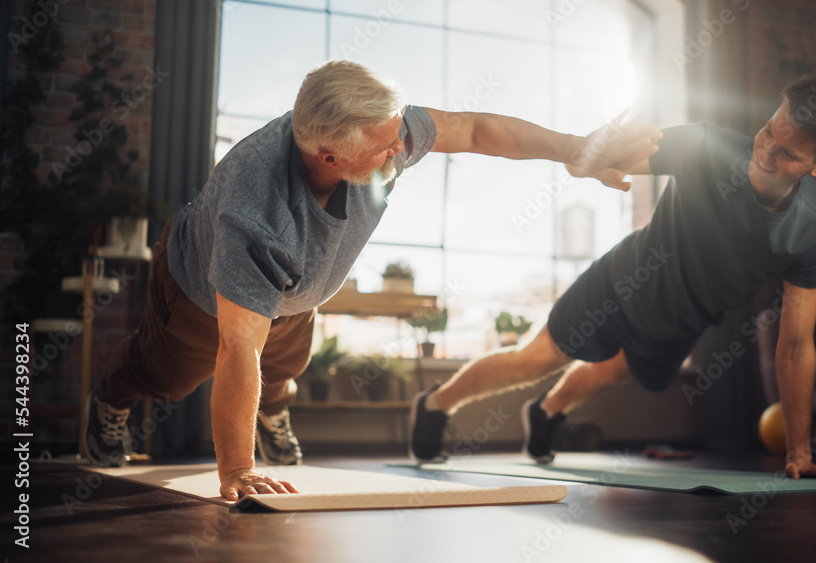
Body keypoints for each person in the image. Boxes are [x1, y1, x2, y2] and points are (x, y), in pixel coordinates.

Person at [85, 60, 662, 500]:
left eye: (398, 137)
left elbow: (478, 128)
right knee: (167, 375)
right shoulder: (255, 211)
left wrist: (574, 150)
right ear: (329, 156)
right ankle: (109, 403)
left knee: (285, 365)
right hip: (198, 294)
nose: (402, 150)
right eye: (388, 147)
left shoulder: (381, 130)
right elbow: (237, 348)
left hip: (297, 289)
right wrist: (238, 471)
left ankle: (273, 414)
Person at [409, 77, 816, 481]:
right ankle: (435, 405)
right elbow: (595, 159)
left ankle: (546, 412)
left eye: (787, 153)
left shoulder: (811, 228)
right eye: (767, 132)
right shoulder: (706, 147)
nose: (765, 152)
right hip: (619, 282)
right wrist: (599, 150)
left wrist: (800, 451)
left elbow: (797, 344)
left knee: (608, 372)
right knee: (536, 360)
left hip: (678, 324)